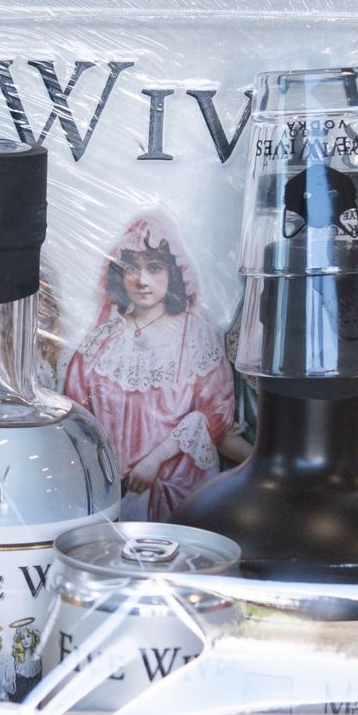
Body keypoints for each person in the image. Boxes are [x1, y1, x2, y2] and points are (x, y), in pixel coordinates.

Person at [65, 212, 236, 521]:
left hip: (178, 493)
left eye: (154, 267)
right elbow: (77, 423)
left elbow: (214, 423)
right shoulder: (100, 342)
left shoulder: (195, 337)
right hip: (109, 495)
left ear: (174, 272)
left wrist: (157, 458)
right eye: (132, 268)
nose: (142, 280)